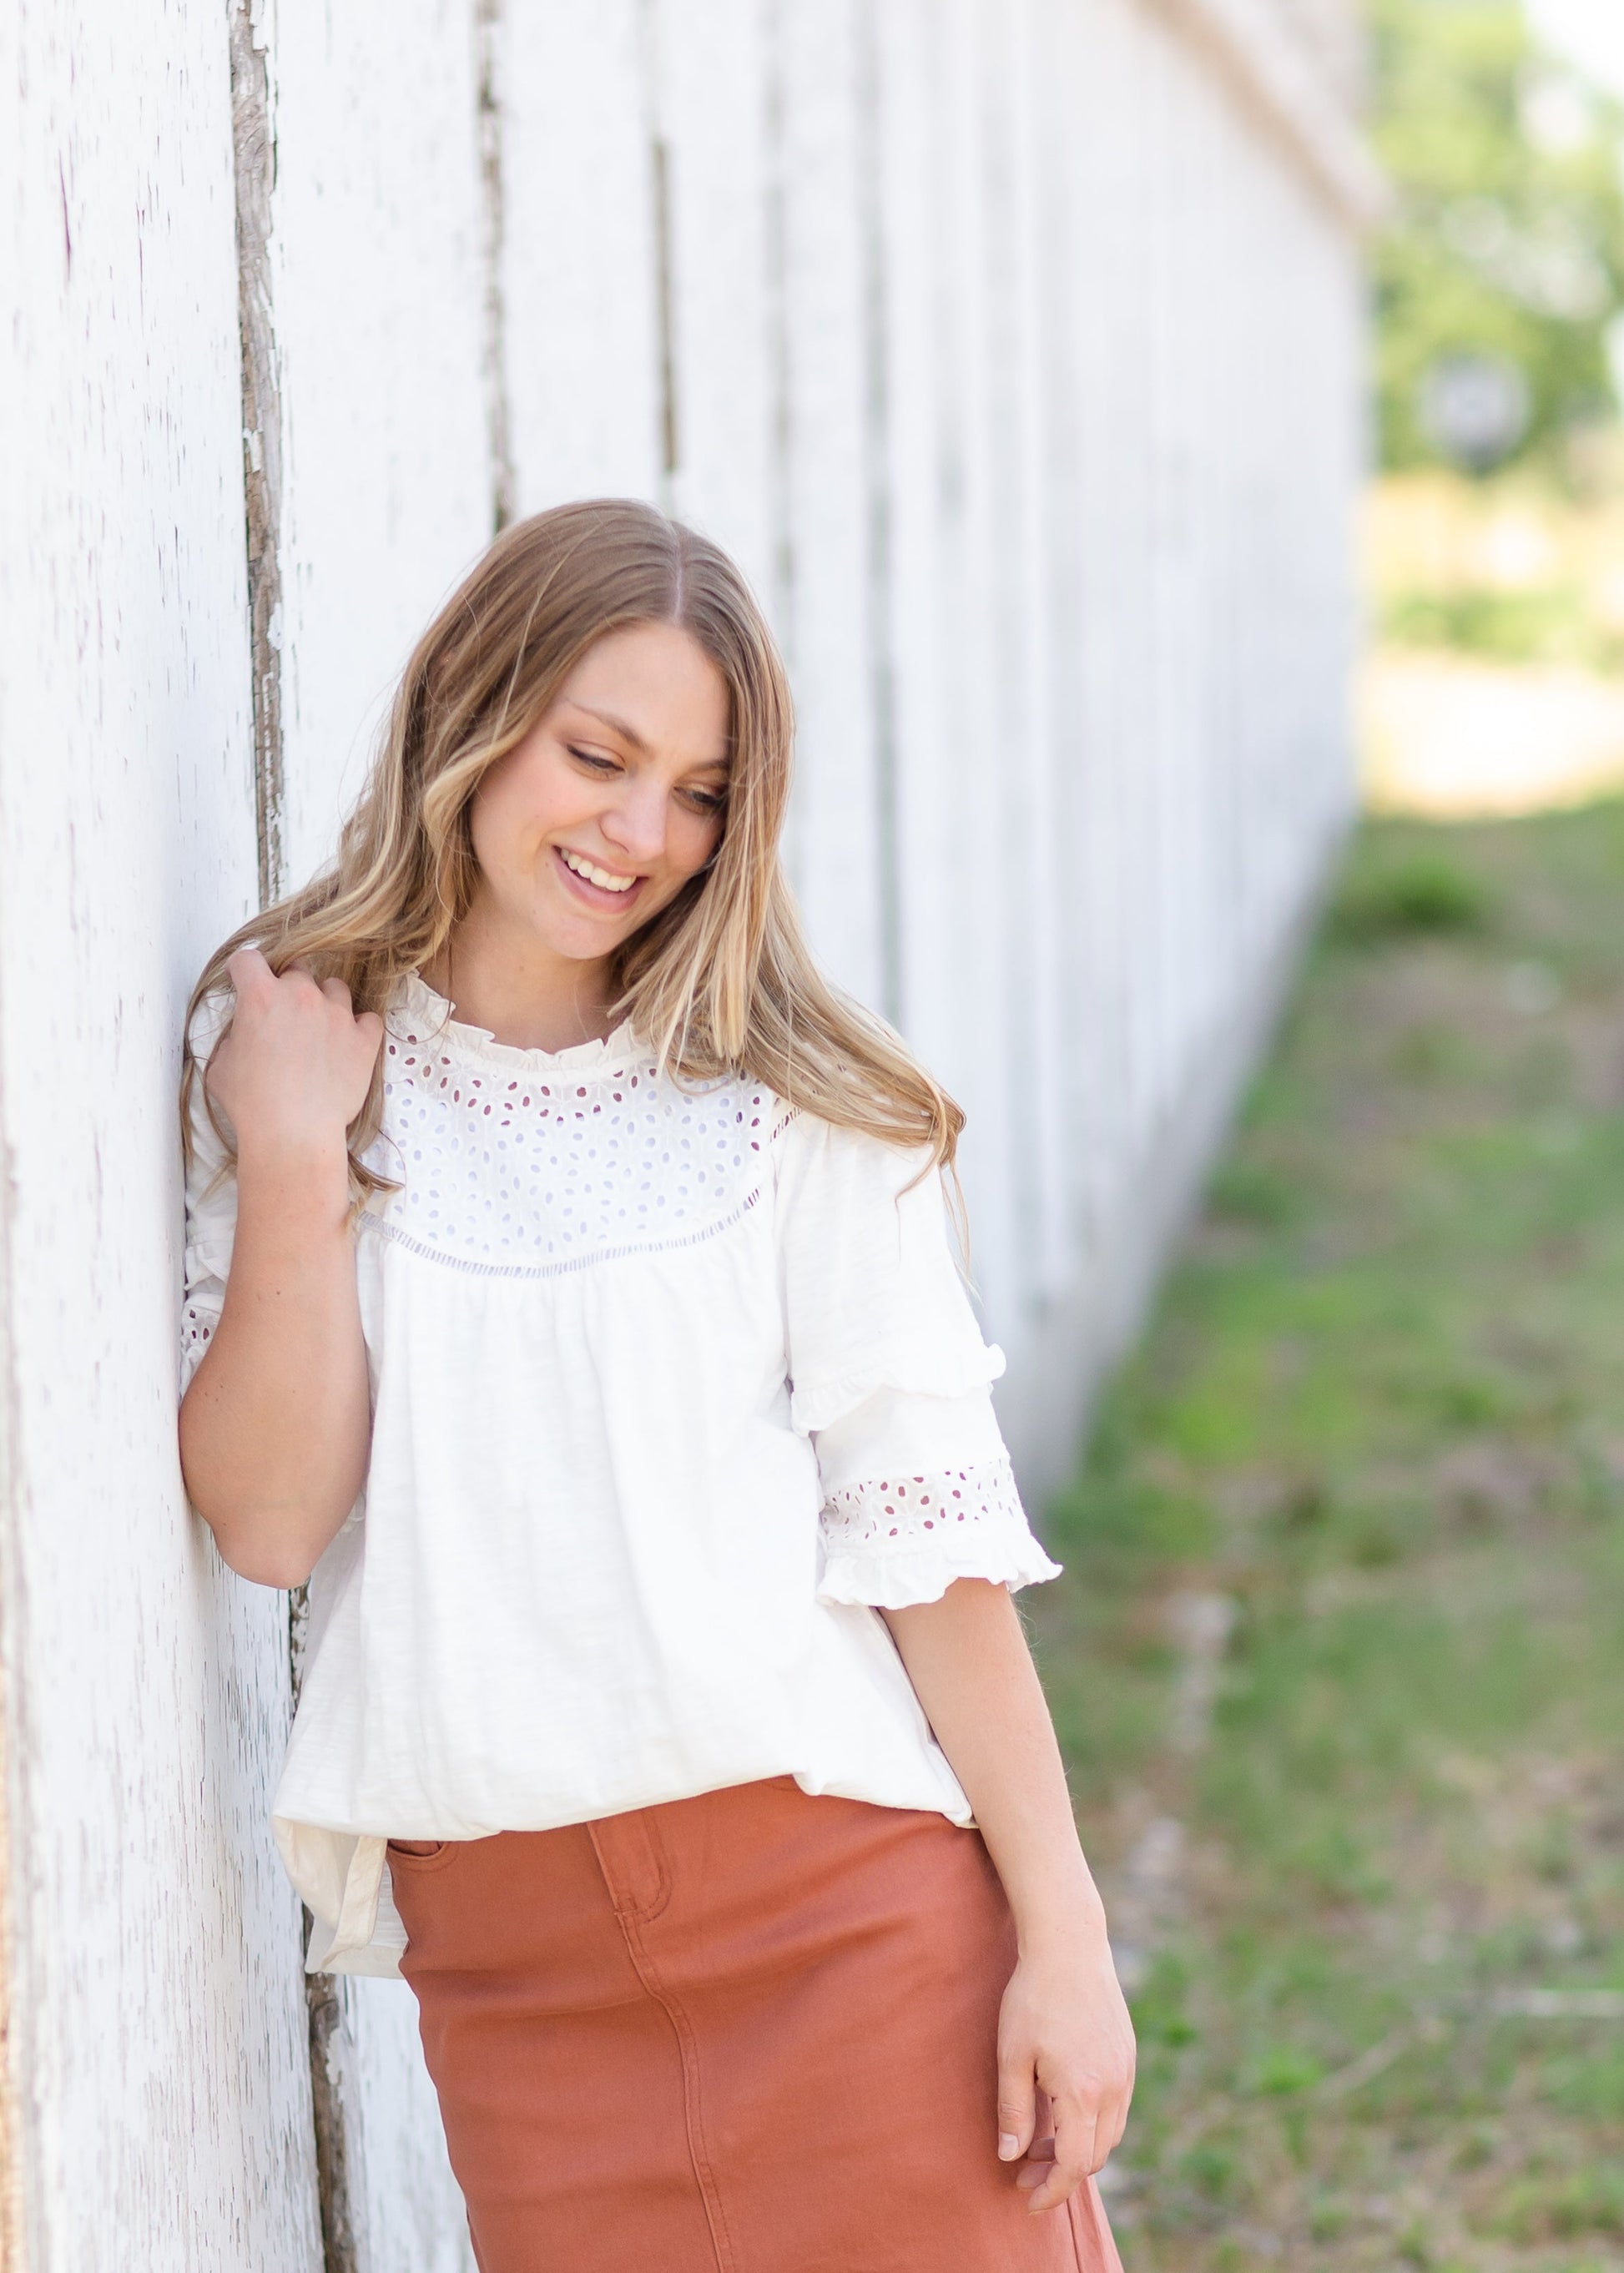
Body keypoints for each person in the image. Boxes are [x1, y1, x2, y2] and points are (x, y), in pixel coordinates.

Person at [179, 499, 1133, 2272]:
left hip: (852, 1935)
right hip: (520, 1989)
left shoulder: (803, 1113)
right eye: (599, 757)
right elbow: (265, 1518)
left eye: (697, 791)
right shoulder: (299, 1065)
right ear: (473, 706)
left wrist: (1062, 1940)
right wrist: (300, 1165)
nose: (639, 832)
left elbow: (929, 1554)